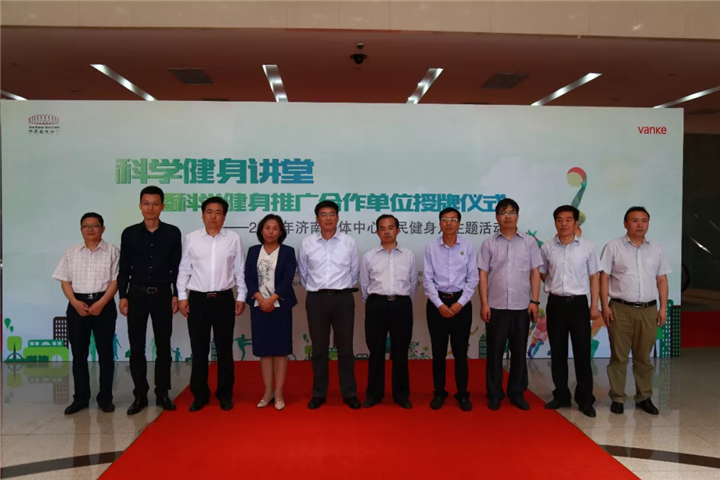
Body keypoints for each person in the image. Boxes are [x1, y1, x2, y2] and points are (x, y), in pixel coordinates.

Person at [177, 196, 247, 412]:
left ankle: (225, 394)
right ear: (202, 215)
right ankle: (200, 395)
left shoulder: (233, 238)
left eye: (218, 212)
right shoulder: (192, 238)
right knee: (199, 349)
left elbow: (239, 270)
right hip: (198, 299)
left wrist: (241, 296)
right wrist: (182, 296)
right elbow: (184, 269)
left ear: (224, 216)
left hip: (224, 298)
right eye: (209, 212)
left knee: (224, 348)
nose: (213, 216)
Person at [118, 186, 182, 415]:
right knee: (136, 346)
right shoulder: (129, 233)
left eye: (155, 203)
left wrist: (176, 294)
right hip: (136, 294)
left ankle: (162, 392)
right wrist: (122, 296)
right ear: (140, 205)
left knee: (163, 345)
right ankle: (140, 395)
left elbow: (177, 267)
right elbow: (124, 267)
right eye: (146, 203)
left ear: (162, 206)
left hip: (163, 294)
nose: (150, 208)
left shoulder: (173, 233)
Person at [600, 206, 670, 416]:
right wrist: (604, 306)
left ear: (648, 223)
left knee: (644, 357)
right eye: (635, 220)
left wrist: (663, 308)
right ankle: (618, 397)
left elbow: (662, 279)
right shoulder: (613, 247)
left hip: (648, 310)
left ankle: (644, 397)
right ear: (625, 224)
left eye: (644, 220)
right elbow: (604, 277)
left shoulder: (656, 249)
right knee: (618, 356)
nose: (640, 225)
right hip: (620, 308)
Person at [478, 198, 542, 411]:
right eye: (503, 212)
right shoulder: (489, 244)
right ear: (497, 217)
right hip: (495, 306)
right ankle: (494, 393)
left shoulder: (529, 242)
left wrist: (534, 301)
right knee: (494, 353)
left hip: (521, 306)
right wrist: (484, 303)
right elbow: (483, 274)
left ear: (517, 216)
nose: (508, 216)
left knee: (519, 352)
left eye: (512, 212)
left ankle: (516, 393)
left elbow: (535, 272)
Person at [52, 213, 120, 415]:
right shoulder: (72, 252)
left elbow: (116, 280)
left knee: (105, 353)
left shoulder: (112, 251)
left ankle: (105, 399)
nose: (90, 229)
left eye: (95, 225)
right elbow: (64, 280)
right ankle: (80, 398)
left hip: (103, 304)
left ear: (103, 229)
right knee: (79, 354)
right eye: (86, 226)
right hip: (77, 304)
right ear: (81, 229)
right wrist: (74, 302)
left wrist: (102, 302)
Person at [298, 200, 360, 410]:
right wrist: (318, 290)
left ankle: (349, 393)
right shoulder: (307, 243)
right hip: (316, 299)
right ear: (317, 219)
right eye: (323, 215)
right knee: (319, 349)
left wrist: (338, 289)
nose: (328, 218)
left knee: (346, 348)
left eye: (332, 214)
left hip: (343, 299)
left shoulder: (349, 242)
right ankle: (319, 393)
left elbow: (353, 272)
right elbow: (304, 274)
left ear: (338, 218)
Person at [540, 205, 601, 418]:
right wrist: (554, 284)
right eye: (559, 219)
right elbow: (542, 272)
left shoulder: (587, 247)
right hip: (556, 304)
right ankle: (561, 395)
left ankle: (585, 399)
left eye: (568, 219)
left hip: (578, 304)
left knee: (582, 353)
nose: (564, 223)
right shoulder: (547, 247)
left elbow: (594, 277)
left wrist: (594, 305)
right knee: (558, 352)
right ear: (555, 223)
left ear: (576, 223)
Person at [423, 207, 478, 411]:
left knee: (460, 352)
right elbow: (427, 279)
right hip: (437, 303)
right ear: (439, 223)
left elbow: (472, 278)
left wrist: (460, 303)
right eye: (445, 219)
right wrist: (439, 304)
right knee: (438, 352)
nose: (449, 223)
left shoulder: (468, 246)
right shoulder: (431, 247)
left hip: (460, 303)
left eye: (453, 219)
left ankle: (462, 394)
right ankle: (439, 392)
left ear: (459, 223)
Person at [360, 215, 417, 409]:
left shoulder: (408, 255)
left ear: (398, 230)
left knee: (400, 351)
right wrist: (375, 302)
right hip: (376, 304)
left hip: (401, 304)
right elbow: (364, 285)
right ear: (377, 232)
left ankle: (401, 395)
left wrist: (401, 301)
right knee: (376, 351)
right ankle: (374, 394)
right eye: (382, 228)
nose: (386, 231)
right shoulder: (369, 256)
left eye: (390, 227)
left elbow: (412, 284)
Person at [245, 214, 298, 412]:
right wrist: (261, 299)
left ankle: (279, 392)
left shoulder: (288, 251)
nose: (271, 232)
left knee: (280, 351)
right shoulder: (253, 251)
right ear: (261, 230)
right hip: (258, 306)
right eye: (267, 228)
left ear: (281, 231)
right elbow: (248, 277)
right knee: (264, 351)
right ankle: (267, 392)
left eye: (275, 228)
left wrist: (272, 299)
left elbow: (287, 279)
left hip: (280, 306)